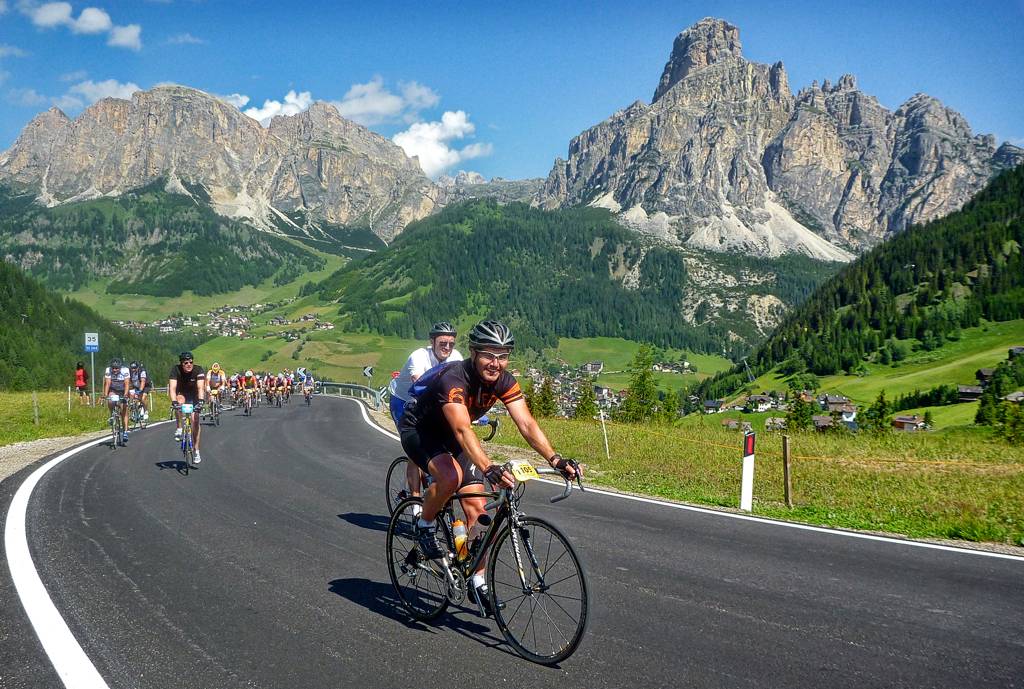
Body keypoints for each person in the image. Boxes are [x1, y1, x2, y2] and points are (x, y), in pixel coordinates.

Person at [397, 320, 579, 615]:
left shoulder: (505, 381)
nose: (496, 363)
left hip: (456, 436)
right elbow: (461, 430)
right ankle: (424, 523)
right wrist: (488, 466)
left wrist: (555, 459)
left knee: (478, 513)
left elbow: (526, 423)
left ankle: (477, 579)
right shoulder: (454, 378)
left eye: (503, 355)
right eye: (489, 355)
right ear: (473, 352)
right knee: (450, 476)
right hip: (421, 430)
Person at [389, 322, 464, 508]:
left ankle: (433, 478)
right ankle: (415, 502)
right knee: (417, 448)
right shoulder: (419, 356)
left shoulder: (456, 357)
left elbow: (460, 388)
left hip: (430, 403)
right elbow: (420, 388)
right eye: (442, 343)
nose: (447, 347)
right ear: (432, 341)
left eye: (451, 344)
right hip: (403, 401)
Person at [168, 352, 207, 463]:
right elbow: (172, 388)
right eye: (186, 363)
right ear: (181, 363)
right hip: (182, 393)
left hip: (195, 395)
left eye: (191, 362)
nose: (189, 364)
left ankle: (196, 450)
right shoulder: (175, 370)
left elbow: (200, 388)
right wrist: (174, 402)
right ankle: (179, 428)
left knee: (195, 420)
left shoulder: (198, 370)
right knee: (178, 403)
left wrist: (200, 402)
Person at [102, 357, 131, 444]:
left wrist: (126, 395)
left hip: (123, 391)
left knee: (124, 411)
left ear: (120, 367)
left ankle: (125, 431)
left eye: (116, 368)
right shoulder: (108, 370)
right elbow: (107, 383)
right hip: (113, 390)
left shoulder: (125, 370)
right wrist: (105, 395)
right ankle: (112, 415)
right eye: (113, 368)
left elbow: (126, 384)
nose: (114, 370)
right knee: (110, 400)